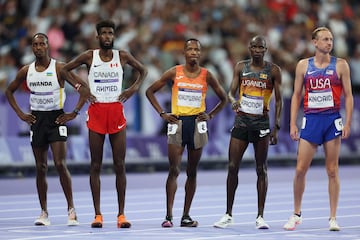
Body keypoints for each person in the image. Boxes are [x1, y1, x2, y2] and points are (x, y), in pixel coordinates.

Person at [60, 19, 148, 228]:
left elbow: (143, 71)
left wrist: (133, 89)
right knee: (96, 165)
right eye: (104, 33)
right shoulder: (89, 56)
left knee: (120, 165)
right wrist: (81, 87)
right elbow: (64, 69)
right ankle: (97, 215)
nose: (107, 36)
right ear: (97, 36)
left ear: (114, 36)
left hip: (116, 111)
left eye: (110, 33)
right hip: (97, 111)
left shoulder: (122, 56)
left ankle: (121, 215)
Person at [5, 33, 90, 226]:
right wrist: (20, 114)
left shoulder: (59, 68)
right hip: (37, 120)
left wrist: (74, 113)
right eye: (34, 44)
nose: (38, 47)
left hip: (56, 118)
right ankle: (44, 213)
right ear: (32, 48)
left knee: (60, 164)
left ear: (48, 46)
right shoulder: (26, 70)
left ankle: (71, 210)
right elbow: (9, 91)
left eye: (42, 44)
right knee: (40, 167)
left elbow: (84, 89)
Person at [146, 38, 227, 228]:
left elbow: (223, 99)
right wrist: (162, 114)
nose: (193, 52)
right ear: (184, 52)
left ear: (200, 53)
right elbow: (150, 91)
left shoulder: (207, 75)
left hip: (197, 124)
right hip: (177, 122)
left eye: (197, 50)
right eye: (190, 49)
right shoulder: (175, 72)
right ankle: (168, 216)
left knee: (192, 172)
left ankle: (186, 216)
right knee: (174, 170)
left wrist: (211, 115)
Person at [283, 27, 353, 231]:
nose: (329, 42)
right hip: (311, 120)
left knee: (332, 170)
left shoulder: (341, 65)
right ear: (314, 42)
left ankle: (333, 218)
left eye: (331, 39)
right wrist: (292, 123)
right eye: (324, 39)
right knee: (299, 170)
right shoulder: (303, 66)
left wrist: (347, 122)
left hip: (331, 120)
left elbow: (348, 95)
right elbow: (296, 95)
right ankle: (296, 214)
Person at [213, 35, 282, 229]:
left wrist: (276, 126)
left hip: (261, 124)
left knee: (261, 169)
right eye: (254, 47)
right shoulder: (240, 67)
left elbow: (280, 100)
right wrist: (232, 100)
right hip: (242, 122)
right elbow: (230, 92)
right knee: (233, 166)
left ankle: (260, 216)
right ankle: (228, 214)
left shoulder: (273, 70)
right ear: (249, 48)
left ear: (265, 50)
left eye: (261, 47)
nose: (257, 50)